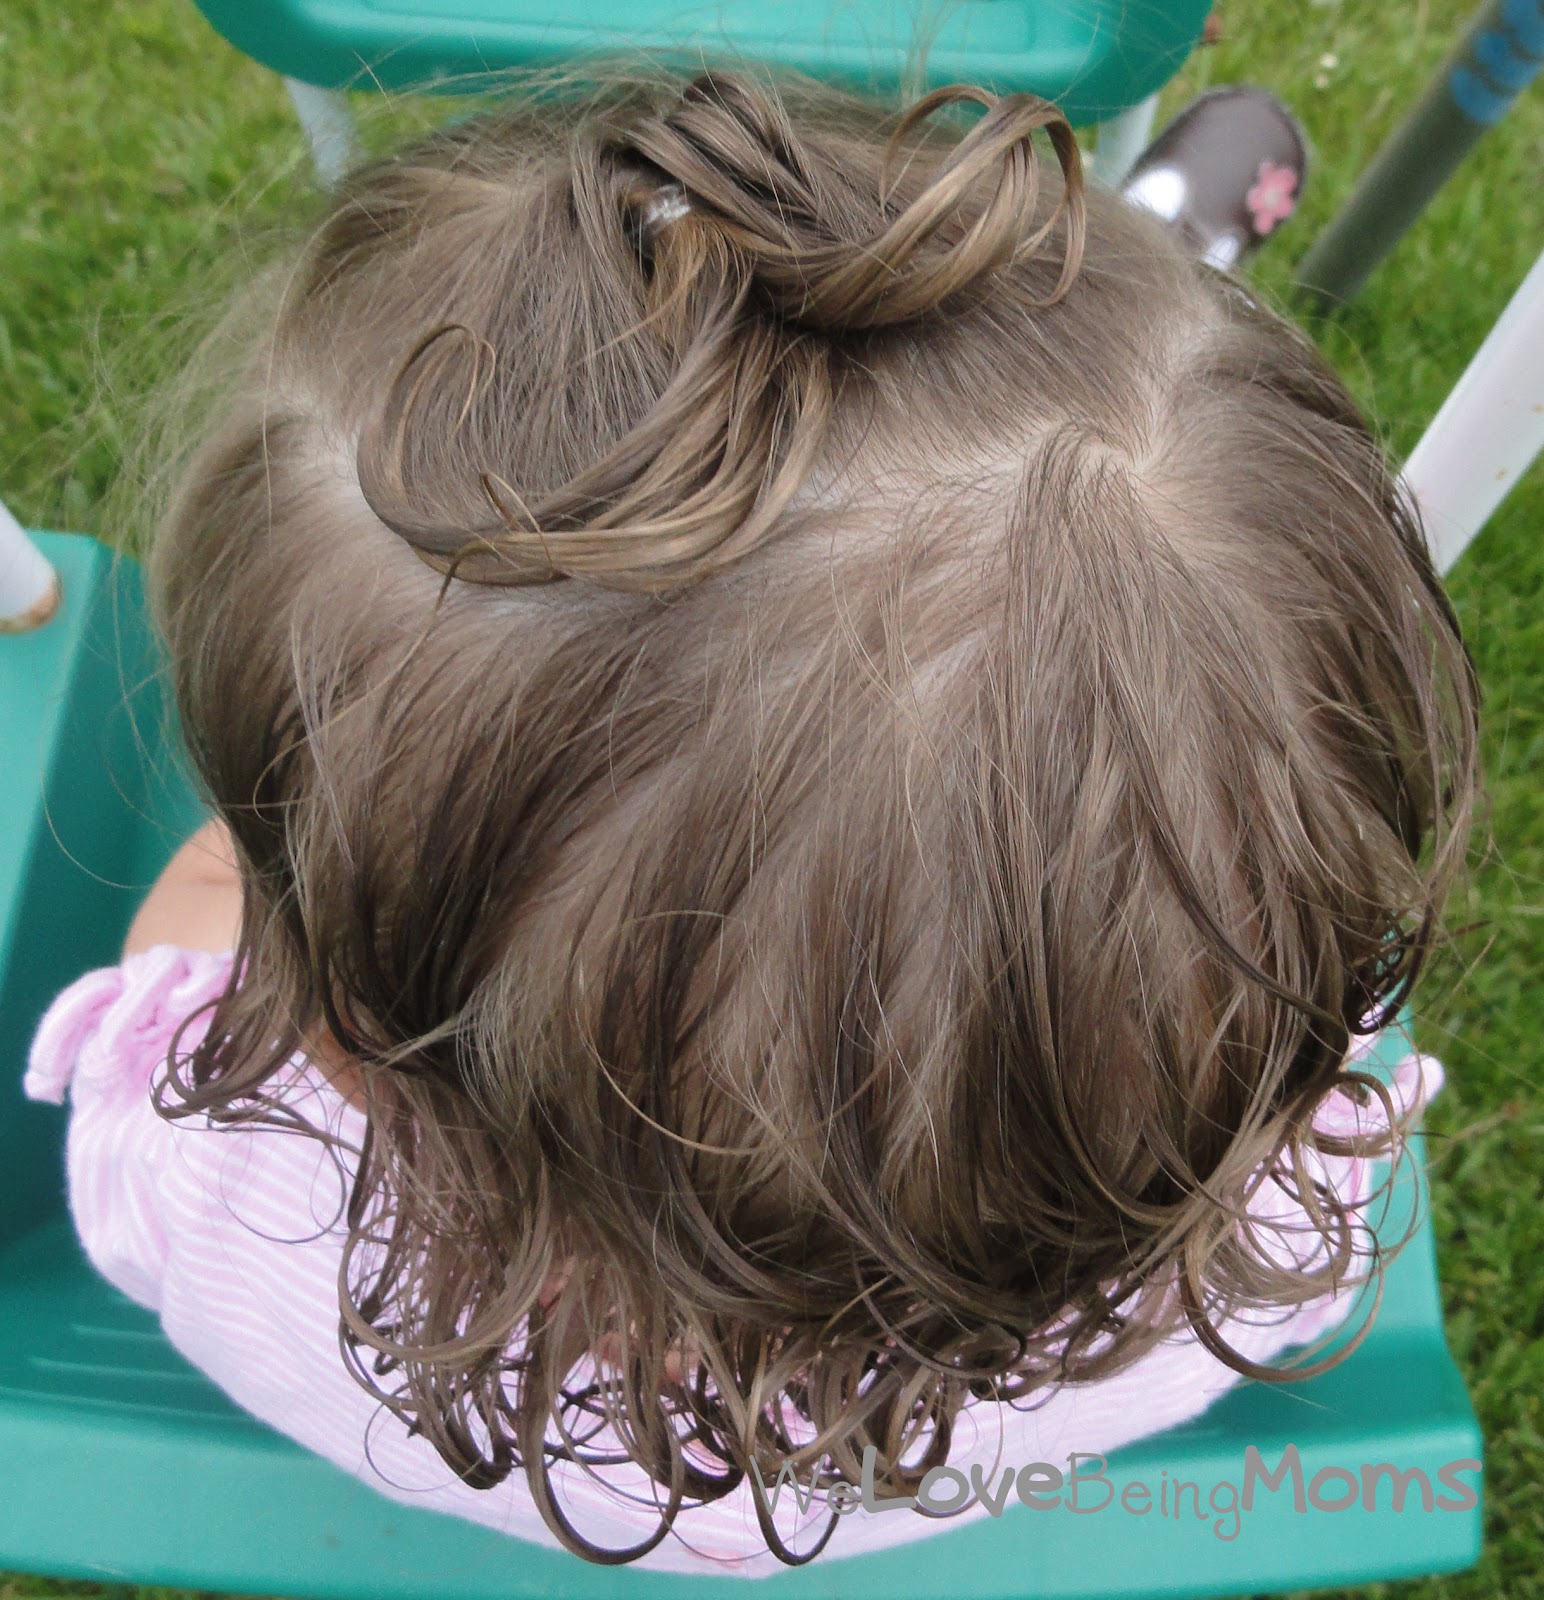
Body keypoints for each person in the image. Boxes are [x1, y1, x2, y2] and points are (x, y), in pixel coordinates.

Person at [24, 63, 1478, 1573]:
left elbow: (170, 999)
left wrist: (246, 882)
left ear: (345, 1032)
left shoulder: (223, 1188)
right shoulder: (1242, 1243)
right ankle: (1163, 234)